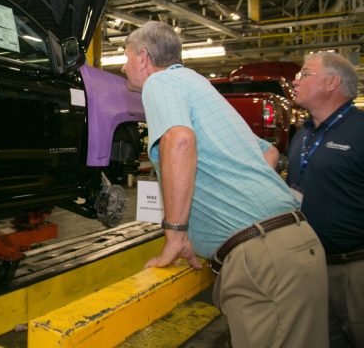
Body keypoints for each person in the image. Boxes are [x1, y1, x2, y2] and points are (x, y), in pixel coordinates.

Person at [121, 21, 328, 348]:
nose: (123, 65)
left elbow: (180, 142)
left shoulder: (159, 82)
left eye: (127, 56)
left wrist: (176, 234)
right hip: (293, 243)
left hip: (263, 258)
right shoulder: (198, 84)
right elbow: (270, 153)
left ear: (144, 58)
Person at [287, 52, 363, 348]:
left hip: (354, 271)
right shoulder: (302, 135)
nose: (295, 81)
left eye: (305, 74)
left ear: (332, 82)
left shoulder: (360, 131)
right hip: (311, 268)